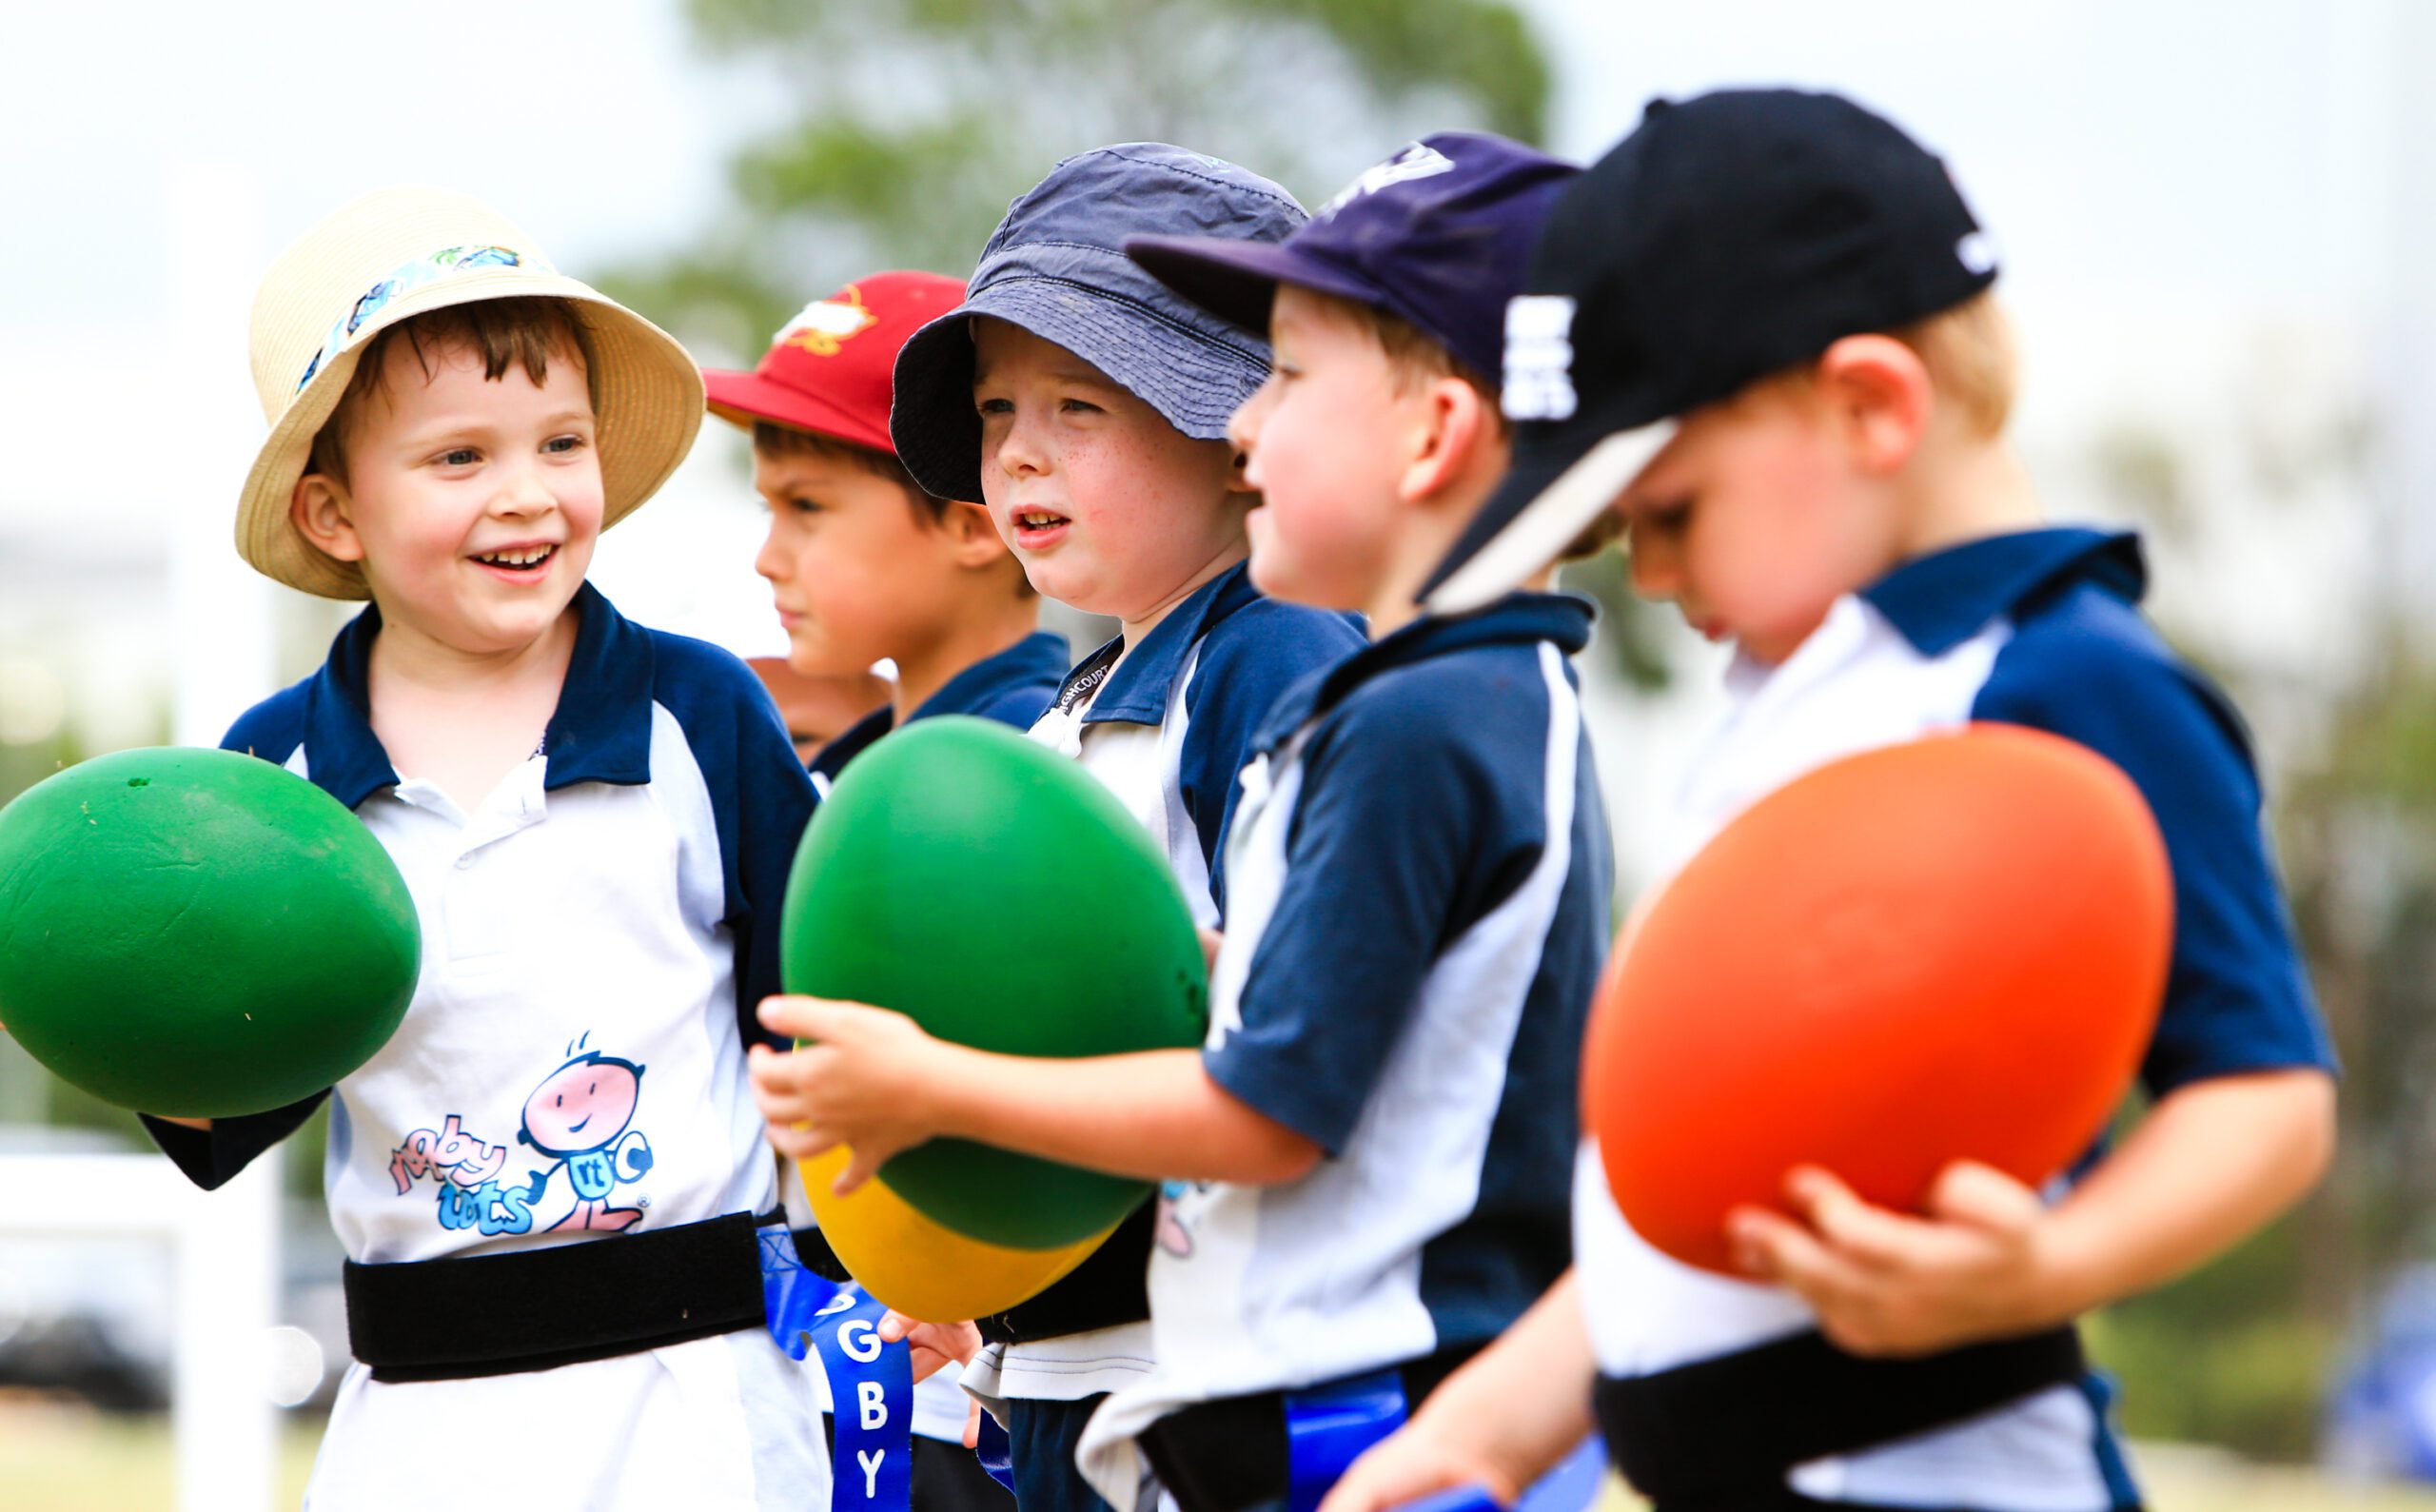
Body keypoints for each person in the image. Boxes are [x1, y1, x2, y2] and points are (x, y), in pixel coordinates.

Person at [1328, 88, 2339, 1512]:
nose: (1658, 577)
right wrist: (1493, 1425)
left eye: (1672, 513)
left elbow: (2267, 1096)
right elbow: (1690, 1184)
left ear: (1869, 405)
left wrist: (2051, 1264)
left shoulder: (2064, 673)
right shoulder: (1792, 689)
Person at [756, 132, 1610, 1512]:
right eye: (995, 413)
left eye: (1083, 404)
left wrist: (933, 1088)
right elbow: (1260, 990)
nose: (1017, 452)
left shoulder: (1334, 678)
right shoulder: (1173, 693)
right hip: (1171, 1380)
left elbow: (1270, 1092)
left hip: (1349, 1400)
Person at [143, 187, 827, 1510]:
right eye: (460, 458)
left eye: (559, 442)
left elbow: (818, 1016)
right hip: (418, 1417)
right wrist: (101, 973)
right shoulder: (276, 778)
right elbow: (221, 1112)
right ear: (336, 514)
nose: (529, 494)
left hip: (698, 1393)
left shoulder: (701, 710)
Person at [706, 265, 1069, 1507]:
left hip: (986, 1415)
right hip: (838, 1397)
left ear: (977, 517)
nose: (767, 554)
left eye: (808, 504)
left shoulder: (1053, 776)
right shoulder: (850, 777)